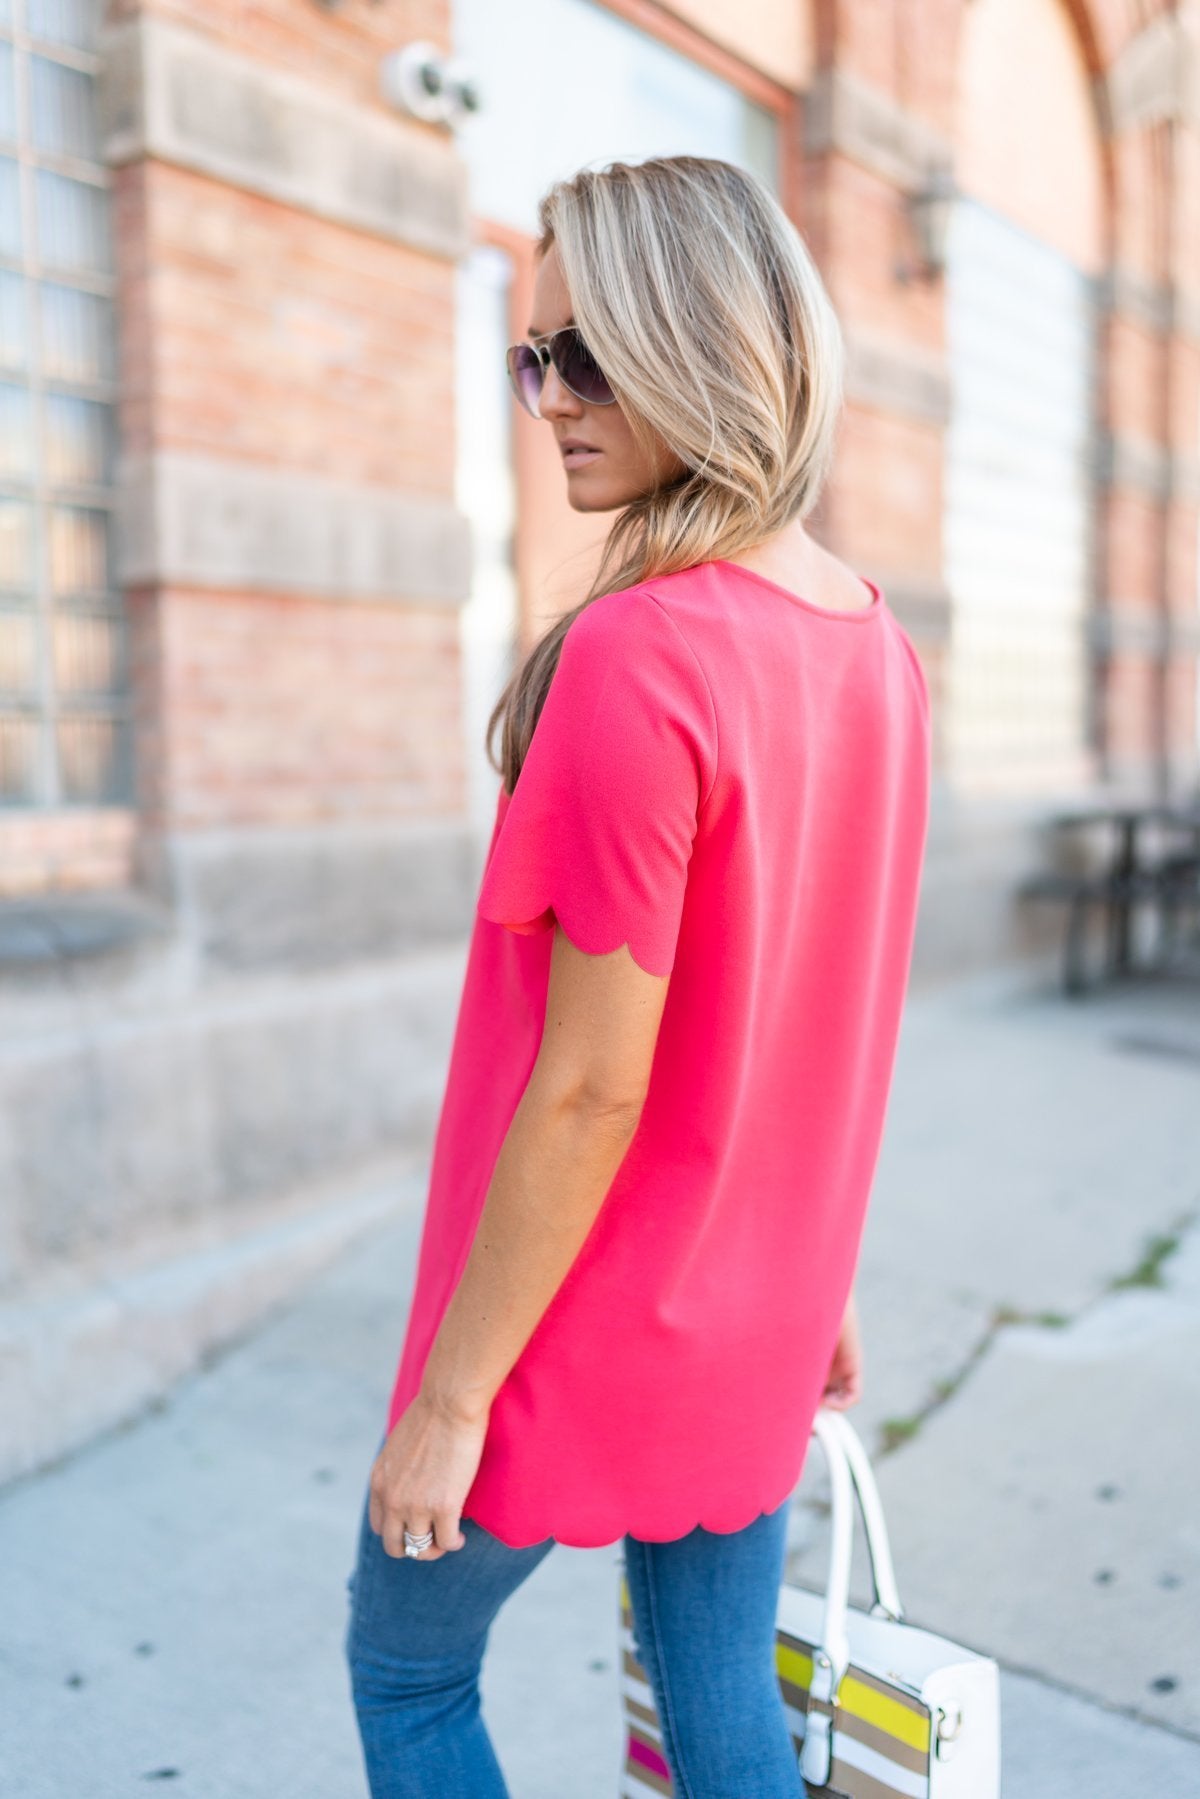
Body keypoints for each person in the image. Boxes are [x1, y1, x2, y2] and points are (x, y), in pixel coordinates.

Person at [342, 153, 930, 1799]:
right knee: (719, 1704)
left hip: (572, 1322)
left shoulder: (640, 653)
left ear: (696, 337)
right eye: (531, 357)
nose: (545, 398)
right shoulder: (874, 647)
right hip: (751, 1313)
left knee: (404, 1673)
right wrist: (817, 1274)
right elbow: (811, 1000)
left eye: (581, 354)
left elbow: (596, 1083)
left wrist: (451, 1400)